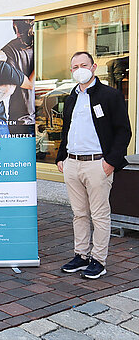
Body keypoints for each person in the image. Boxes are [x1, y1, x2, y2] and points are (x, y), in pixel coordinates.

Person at [56, 51, 131, 279]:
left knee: (99, 215)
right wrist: (61, 158)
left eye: (84, 64)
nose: (80, 69)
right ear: (71, 71)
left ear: (93, 67)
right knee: (79, 214)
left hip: (98, 164)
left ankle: (99, 259)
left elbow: (123, 131)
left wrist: (110, 162)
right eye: (75, 66)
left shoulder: (110, 95)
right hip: (73, 163)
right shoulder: (70, 98)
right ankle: (81, 255)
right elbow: (66, 130)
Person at [1, 19, 35, 136]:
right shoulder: (9, 49)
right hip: (22, 120)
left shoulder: (42, 44)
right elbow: (27, 84)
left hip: (25, 118)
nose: (18, 34)